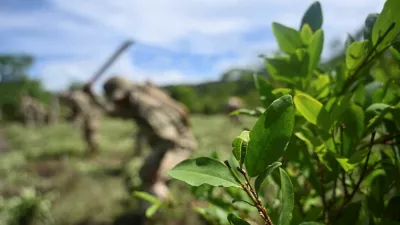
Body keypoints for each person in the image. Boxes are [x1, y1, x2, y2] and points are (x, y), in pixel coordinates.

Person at [83, 76, 197, 202]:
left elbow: (169, 139)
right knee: (147, 174)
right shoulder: (132, 102)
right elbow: (113, 112)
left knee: (153, 179)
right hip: (167, 143)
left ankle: (165, 212)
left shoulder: (145, 106)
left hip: (178, 145)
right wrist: (92, 96)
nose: (116, 104)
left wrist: (158, 169)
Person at [58, 90, 100, 155]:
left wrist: (76, 122)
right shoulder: (73, 98)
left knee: (91, 134)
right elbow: (75, 111)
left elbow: (83, 111)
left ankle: (95, 151)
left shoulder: (75, 98)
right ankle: (91, 151)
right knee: (86, 135)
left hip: (90, 117)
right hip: (87, 117)